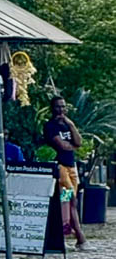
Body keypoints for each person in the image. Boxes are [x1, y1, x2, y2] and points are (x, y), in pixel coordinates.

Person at [44, 95, 85, 249]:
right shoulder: (50, 126)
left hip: (71, 166)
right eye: (58, 107)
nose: (61, 110)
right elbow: (63, 146)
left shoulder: (67, 125)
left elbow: (78, 142)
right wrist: (72, 146)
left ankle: (78, 236)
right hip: (60, 166)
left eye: (63, 106)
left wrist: (71, 125)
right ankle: (69, 234)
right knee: (67, 198)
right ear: (52, 108)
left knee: (71, 201)